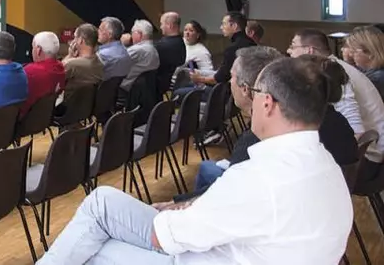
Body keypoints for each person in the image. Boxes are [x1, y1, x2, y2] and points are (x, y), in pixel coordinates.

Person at [38, 56, 353, 264]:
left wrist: (172, 212)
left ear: (267, 103)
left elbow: (165, 238)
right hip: (228, 248)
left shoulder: (262, 177)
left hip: (198, 255)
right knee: (100, 204)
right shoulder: (327, 168)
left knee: (91, 249)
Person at [173, 48, 358, 202]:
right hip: (318, 205)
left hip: (279, 209)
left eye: (232, 77)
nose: (229, 83)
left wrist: (177, 204)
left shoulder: (264, 136)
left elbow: (226, 198)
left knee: (207, 169)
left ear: (247, 89)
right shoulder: (328, 118)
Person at [288, 28, 384, 185]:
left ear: (309, 50)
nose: (289, 51)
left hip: (366, 162)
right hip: (369, 154)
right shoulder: (333, 67)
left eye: (293, 46)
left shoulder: (334, 73)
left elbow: (356, 128)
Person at [189, 11, 255, 87]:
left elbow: (219, 79)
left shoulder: (233, 49)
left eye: (224, 24)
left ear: (234, 26)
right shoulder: (252, 43)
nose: (221, 27)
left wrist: (199, 79)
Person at [59, 24, 104, 115]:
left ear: (80, 40)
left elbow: (57, 73)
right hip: (87, 109)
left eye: (75, 37)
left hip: (66, 109)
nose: (73, 40)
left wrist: (70, 55)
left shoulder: (72, 64)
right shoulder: (100, 63)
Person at [20, 31, 65, 118]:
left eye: (32, 47)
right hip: (44, 118)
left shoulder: (30, 72)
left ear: (38, 50)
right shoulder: (60, 67)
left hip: (26, 120)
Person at [120, 20, 159, 93]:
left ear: (139, 34)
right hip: (144, 93)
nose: (131, 36)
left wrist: (121, 43)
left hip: (125, 90)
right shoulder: (154, 50)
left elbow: (116, 62)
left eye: (132, 33)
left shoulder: (137, 50)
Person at [346, 25, 384, 98]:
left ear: (370, 52)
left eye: (353, 51)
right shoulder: (369, 71)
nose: (350, 55)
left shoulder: (376, 79)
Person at [154, 12, 186, 96]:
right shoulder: (180, 42)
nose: (160, 27)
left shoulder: (163, 46)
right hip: (165, 84)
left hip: (155, 87)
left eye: (162, 24)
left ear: (170, 26)